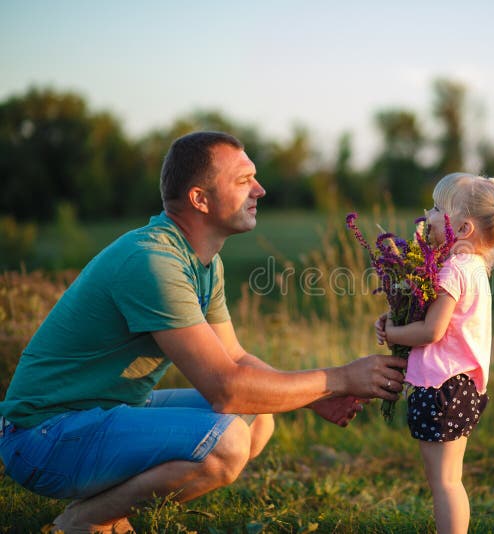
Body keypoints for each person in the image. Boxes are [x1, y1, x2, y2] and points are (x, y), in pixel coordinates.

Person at [0, 131, 408, 534]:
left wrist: (317, 397)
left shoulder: (202, 261)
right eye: (244, 180)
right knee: (226, 441)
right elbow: (226, 388)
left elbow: (234, 358)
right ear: (200, 199)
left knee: (258, 417)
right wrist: (340, 378)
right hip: (42, 436)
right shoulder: (152, 261)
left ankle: (104, 512)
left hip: (105, 414)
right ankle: (83, 522)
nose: (260, 190)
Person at [375, 172, 494, 534]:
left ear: (461, 229)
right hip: (463, 389)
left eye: (436, 208)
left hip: (441, 388)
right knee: (451, 479)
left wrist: (394, 331)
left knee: (443, 483)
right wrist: (398, 315)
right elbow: (434, 319)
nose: (427, 214)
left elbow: (431, 330)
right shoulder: (475, 268)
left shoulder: (452, 271)